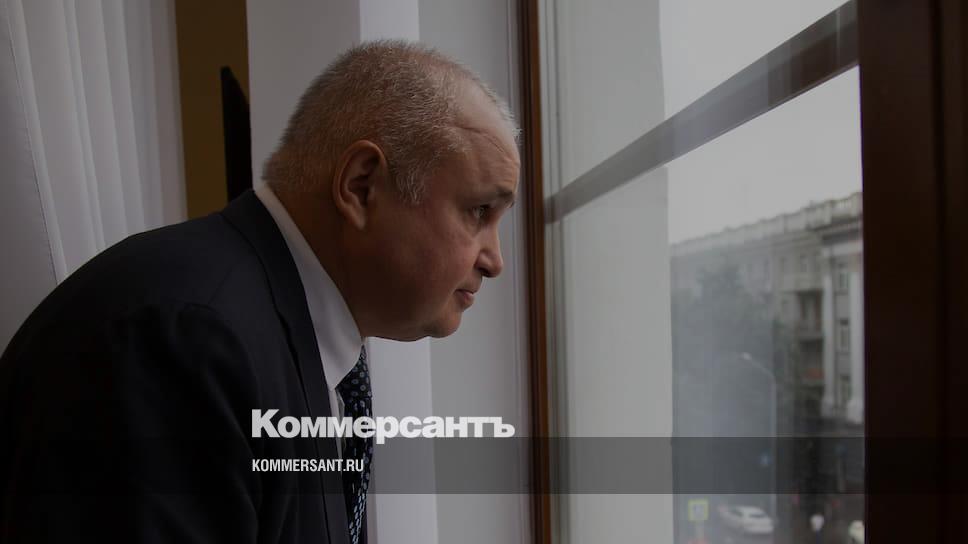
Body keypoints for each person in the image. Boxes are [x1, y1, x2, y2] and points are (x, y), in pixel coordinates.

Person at [0, 40, 520, 544]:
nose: (495, 260)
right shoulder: (184, 341)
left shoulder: (278, 333)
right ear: (362, 187)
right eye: (479, 211)